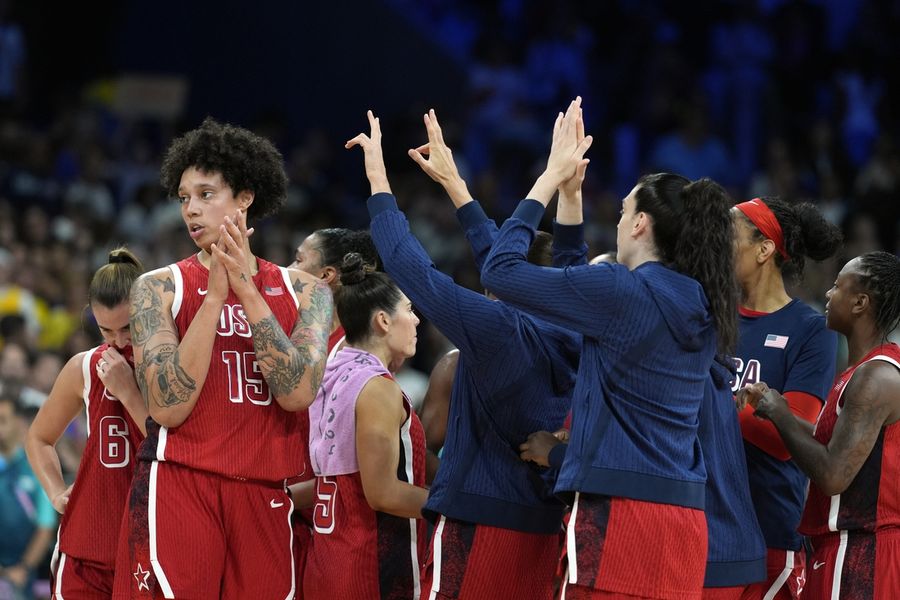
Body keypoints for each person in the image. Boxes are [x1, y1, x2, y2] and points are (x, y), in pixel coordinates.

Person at [481, 97, 740, 599]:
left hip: (618, 514)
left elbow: (499, 271)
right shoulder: (706, 304)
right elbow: (585, 296)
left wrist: (549, 179)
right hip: (684, 520)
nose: (619, 222)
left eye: (623, 212)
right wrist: (572, 201)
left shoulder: (622, 292)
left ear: (641, 224)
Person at [348, 109, 580, 600]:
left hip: (480, 529)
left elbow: (407, 265)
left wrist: (377, 178)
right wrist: (456, 184)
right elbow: (501, 258)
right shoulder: (577, 326)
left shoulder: (497, 329)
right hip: (547, 533)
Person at [113, 118, 333, 599]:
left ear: (246, 197)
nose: (190, 210)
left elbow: (296, 394)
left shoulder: (307, 293)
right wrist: (212, 301)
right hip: (181, 483)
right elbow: (168, 409)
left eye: (206, 194)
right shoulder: (158, 287)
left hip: (264, 491)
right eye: (184, 197)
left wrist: (246, 293)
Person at [739, 251, 900, 598]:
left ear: (860, 302)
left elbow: (833, 474)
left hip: (863, 547)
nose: (827, 294)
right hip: (844, 545)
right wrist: (774, 408)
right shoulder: (860, 372)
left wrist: (779, 413)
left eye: (837, 286)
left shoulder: (876, 376)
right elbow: (834, 445)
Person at [731, 196, 842, 598]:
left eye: (729, 234)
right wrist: (741, 408)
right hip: (707, 522)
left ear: (765, 250)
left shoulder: (811, 328)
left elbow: (785, 439)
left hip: (769, 528)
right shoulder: (712, 315)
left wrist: (708, 405)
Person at [303, 252, 426, 599]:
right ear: (384, 321)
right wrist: (456, 505)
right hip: (369, 564)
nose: (416, 321)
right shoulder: (377, 388)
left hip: (328, 561)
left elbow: (336, 480)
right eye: (409, 310)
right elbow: (383, 493)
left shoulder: (332, 371)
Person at [25, 248, 147, 598]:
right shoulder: (85, 366)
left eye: (128, 327)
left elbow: (177, 447)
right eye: (107, 330)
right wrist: (54, 491)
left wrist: (129, 393)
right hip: (86, 549)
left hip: (149, 546)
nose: (119, 341)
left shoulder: (169, 366)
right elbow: (39, 437)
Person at [286, 226, 379, 590]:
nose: (286, 268)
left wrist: (285, 497)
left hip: (329, 524)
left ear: (326, 276)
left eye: (297, 260)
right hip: (290, 513)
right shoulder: (298, 337)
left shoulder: (354, 357)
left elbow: (356, 468)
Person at [0, 395, 55, 600]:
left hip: (24, 573)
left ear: (18, 422)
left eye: (3, 420)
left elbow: (45, 524)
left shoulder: (35, 466)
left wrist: (23, 567)